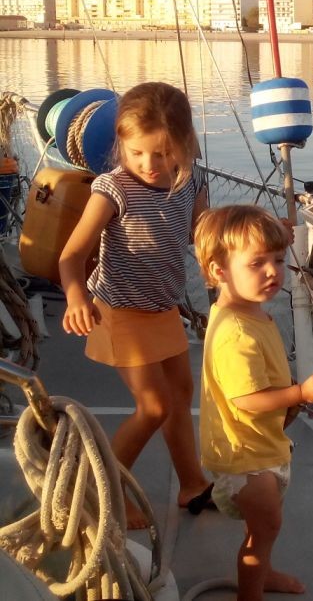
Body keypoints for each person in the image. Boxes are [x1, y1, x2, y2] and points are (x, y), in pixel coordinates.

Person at [60, 81, 212, 530]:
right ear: (122, 146)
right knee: (153, 407)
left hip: (162, 306)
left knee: (181, 395)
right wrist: (75, 297)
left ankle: (192, 484)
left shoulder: (192, 180)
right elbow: (71, 255)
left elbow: (198, 234)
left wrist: (252, 231)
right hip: (119, 311)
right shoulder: (113, 189)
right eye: (137, 152)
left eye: (162, 154)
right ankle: (97, 494)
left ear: (184, 145)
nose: (149, 164)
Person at [194, 205, 313, 600]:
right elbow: (247, 399)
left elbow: (256, 380)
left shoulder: (246, 311)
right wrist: (298, 394)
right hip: (246, 457)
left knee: (260, 528)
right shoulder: (236, 332)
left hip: (256, 447)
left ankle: (264, 573)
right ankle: (251, 591)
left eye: (277, 259)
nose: (273, 271)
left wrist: (286, 389)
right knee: (264, 531)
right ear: (219, 270)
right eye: (257, 263)